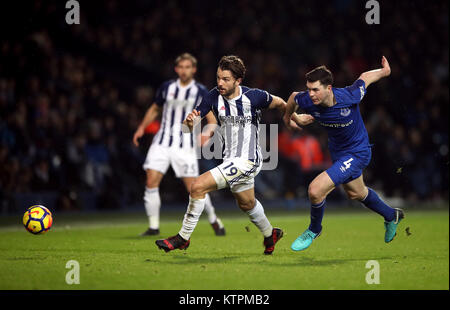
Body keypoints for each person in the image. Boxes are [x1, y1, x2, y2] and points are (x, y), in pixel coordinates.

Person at [155, 55, 312, 254]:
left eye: (226, 79)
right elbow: (190, 127)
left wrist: (293, 118)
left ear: (238, 81)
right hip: (231, 159)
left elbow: (281, 103)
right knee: (246, 203)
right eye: (218, 78)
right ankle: (270, 234)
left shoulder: (254, 97)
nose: (220, 83)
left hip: (248, 160)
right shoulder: (212, 97)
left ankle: (183, 238)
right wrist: (188, 124)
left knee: (197, 186)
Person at [284, 56, 405, 251]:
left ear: (328, 88)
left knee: (315, 190)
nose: (311, 94)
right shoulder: (307, 99)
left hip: (358, 152)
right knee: (356, 193)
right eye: (309, 89)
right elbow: (292, 98)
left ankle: (314, 229)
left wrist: (384, 72)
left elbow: (365, 77)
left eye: (315, 89)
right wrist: (291, 119)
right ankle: (392, 215)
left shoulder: (350, 96)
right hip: (338, 152)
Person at [133, 53, 226, 236]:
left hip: (185, 145)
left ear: (194, 70)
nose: (184, 70)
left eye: (188, 67)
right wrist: (141, 128)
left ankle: (214, 219)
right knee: (151, 180)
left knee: (194, 188)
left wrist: (207, 133)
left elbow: (212, 120)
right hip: (162, 141)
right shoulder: (167, 87)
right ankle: (153, 226)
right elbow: (155, 108)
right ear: (176, 69)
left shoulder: (200, 91)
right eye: (181, 67)